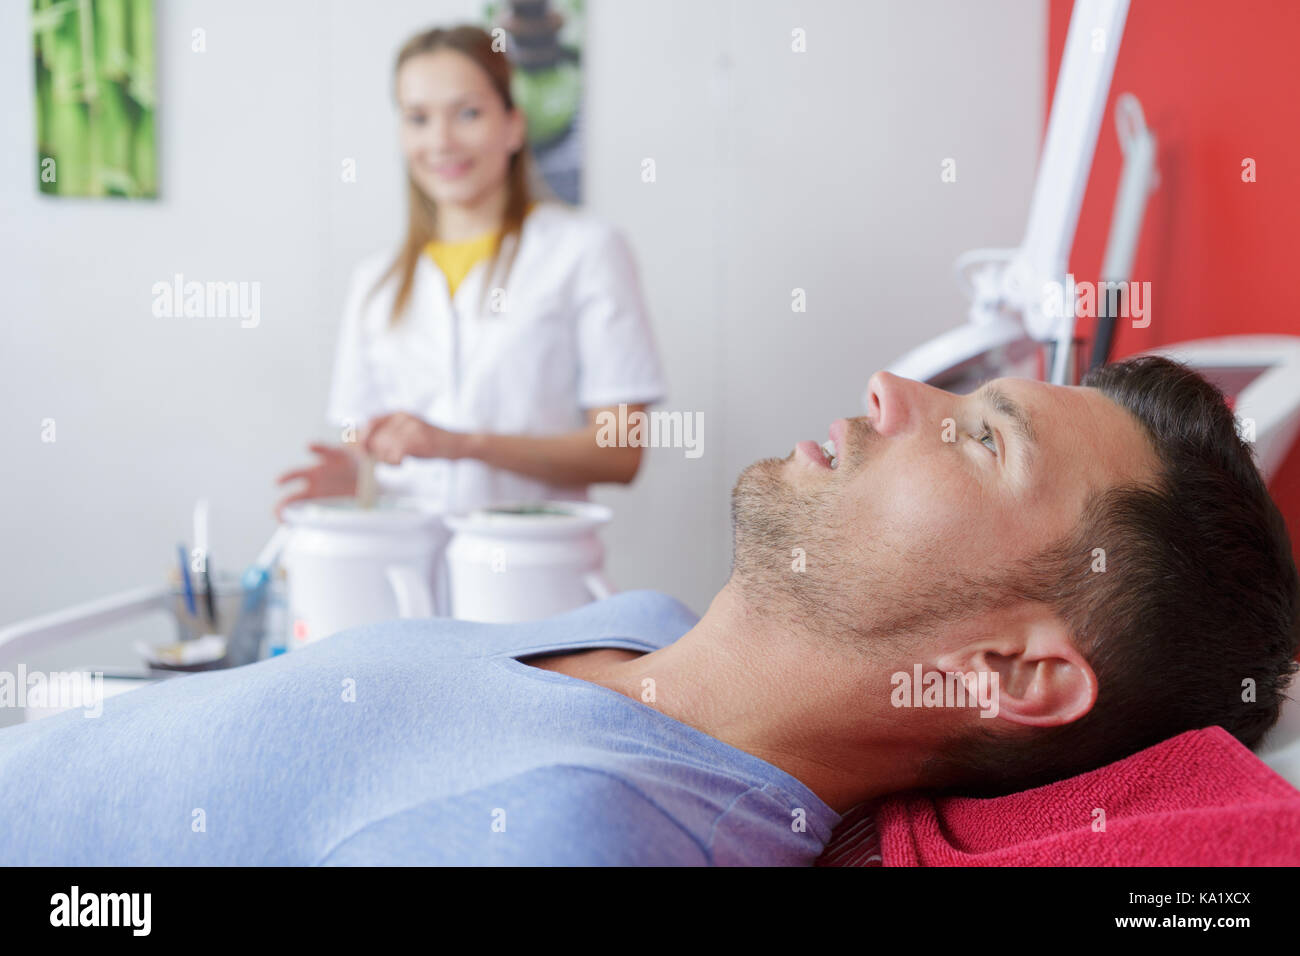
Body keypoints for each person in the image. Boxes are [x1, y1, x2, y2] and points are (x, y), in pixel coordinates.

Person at [1, 357, 1295, 864]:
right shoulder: (639, 619)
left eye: (982, 438)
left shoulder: (582, 839)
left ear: (1011, 668)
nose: (899, 389)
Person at [276, 25, 665, 516]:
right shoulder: (375, 283)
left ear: (514, 126)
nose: (440, 140)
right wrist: (354, 478)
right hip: (403, 573)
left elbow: (620, 453)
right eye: (418, 118)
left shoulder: (586, 251)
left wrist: (462, 444)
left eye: (468, 113)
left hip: (535, 578)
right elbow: (369, 446)